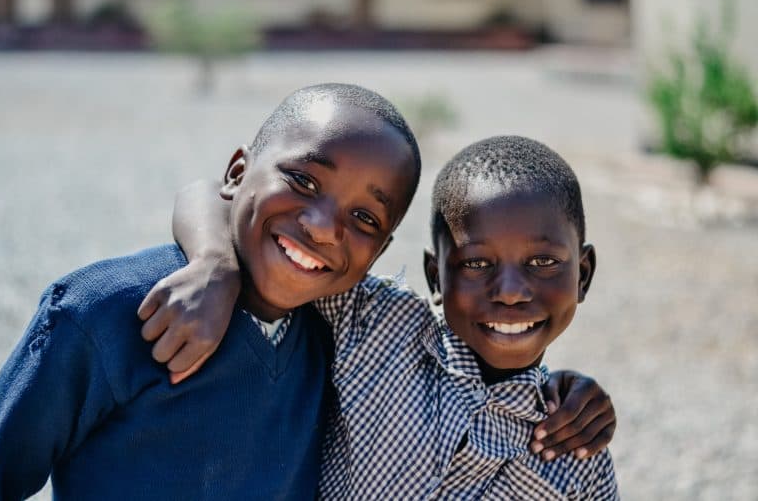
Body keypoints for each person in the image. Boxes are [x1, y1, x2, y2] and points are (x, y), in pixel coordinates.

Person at [0, 83, 423, 500]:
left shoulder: (342, 342)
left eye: (365, 218)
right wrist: (214, 262)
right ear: (237, 172)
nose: (323, 228)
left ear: (379, 251)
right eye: (303, 181)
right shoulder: (104, 312)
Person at [141, 136, 618, 498]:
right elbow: (211, 196)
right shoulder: (378, 326)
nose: (511, 292)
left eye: (543, 263)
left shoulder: (575, 446)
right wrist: (213, 264)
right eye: (476, 263)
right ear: (436, 277)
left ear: (584, 274)